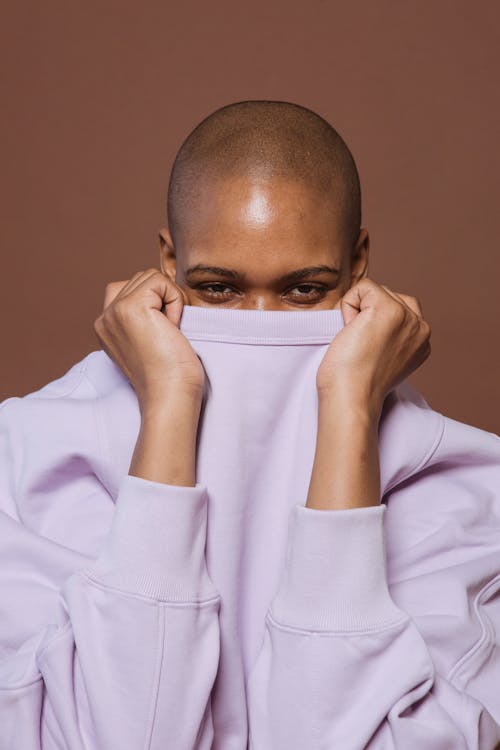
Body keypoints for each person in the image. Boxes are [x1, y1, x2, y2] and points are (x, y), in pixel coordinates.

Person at [0, 100, 499, 749]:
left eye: (303, 291)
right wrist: (172, 401)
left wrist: (348, 404)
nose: (261, 320)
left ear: (358, 266)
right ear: (167, 261)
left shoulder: (469, 492)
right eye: (217, 289)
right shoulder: (27, 454)